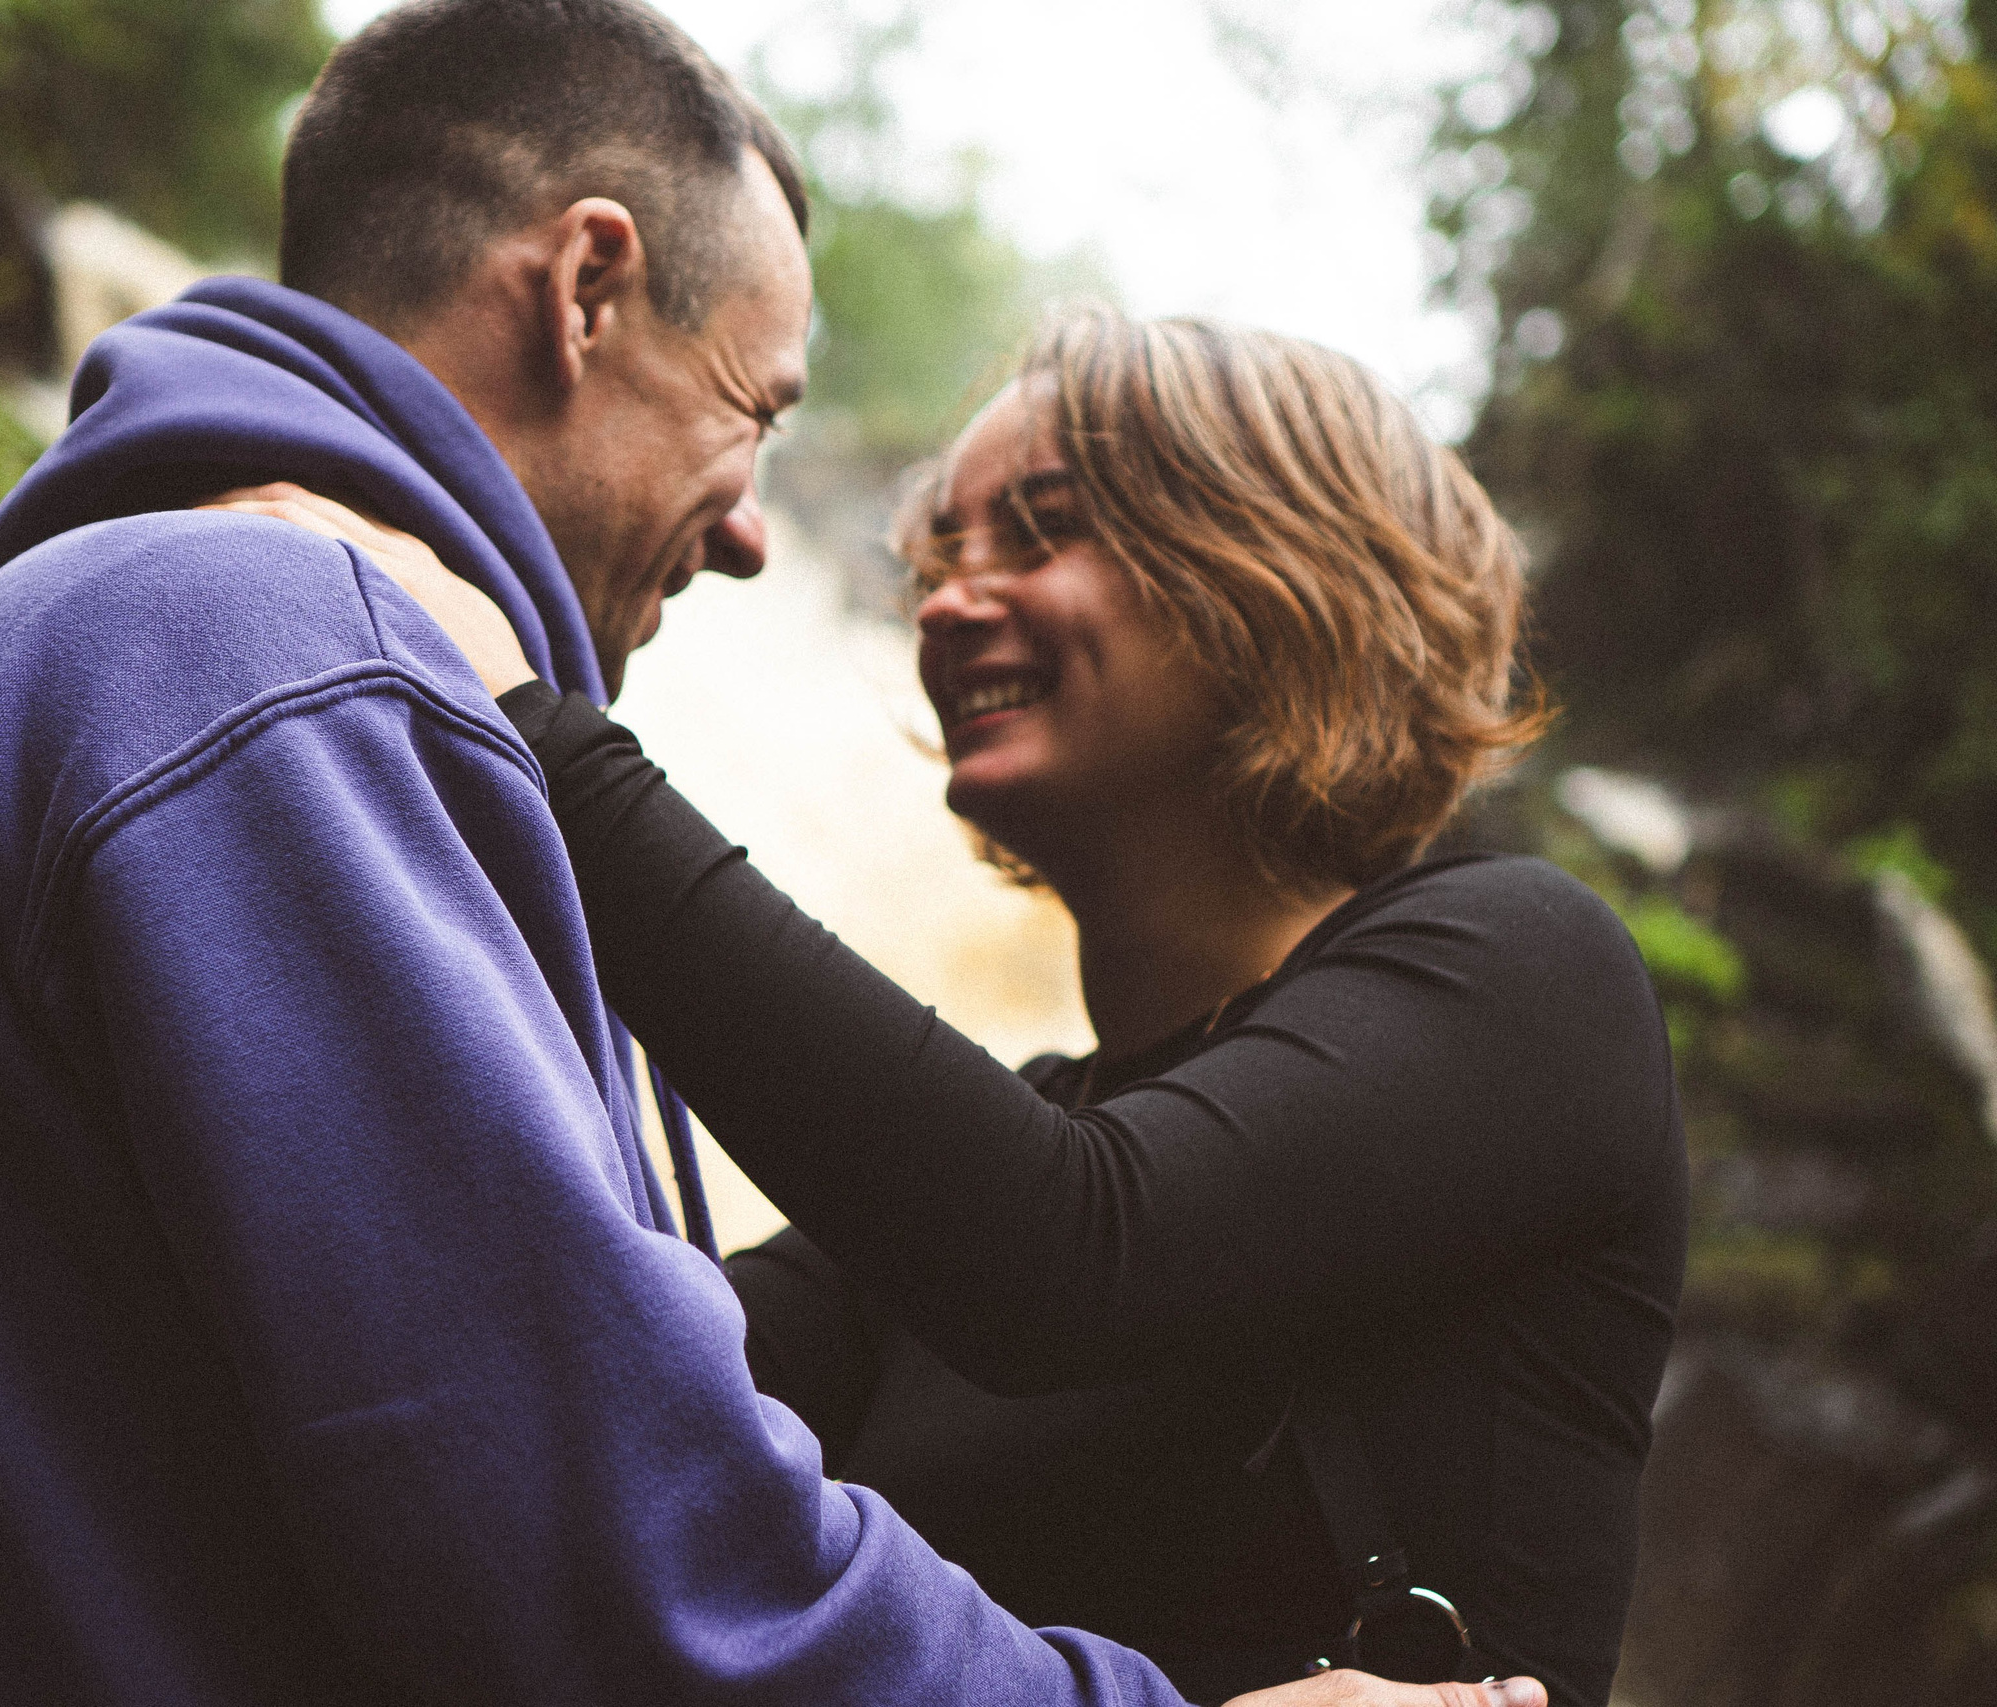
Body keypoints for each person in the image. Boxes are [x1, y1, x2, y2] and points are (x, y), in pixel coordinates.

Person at [0, 0, 1550, 1701]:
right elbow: (602, 1540)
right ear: (588, 288)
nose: (773, 541)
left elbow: (784, 1340)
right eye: (752, 408)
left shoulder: (162, 625)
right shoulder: (271, 655)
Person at [278, 309, 1684, 1707]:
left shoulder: (1527, 971)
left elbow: (1065, 1256)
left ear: (1277, 567)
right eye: (944, 553)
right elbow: (610, 1384)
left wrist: (515, 720)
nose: (948, 601)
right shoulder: (962, 1182)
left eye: (1043, 530)